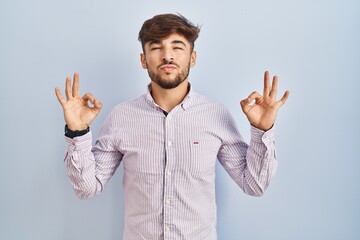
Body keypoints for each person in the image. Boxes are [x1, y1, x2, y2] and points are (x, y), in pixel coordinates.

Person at [55, 13, 289, 240]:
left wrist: (263, 130)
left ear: (193, 58)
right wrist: (77, 133)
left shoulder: (215, 115)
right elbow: (87, 188)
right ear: (143, 59)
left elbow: (254, 185)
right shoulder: (121, 117)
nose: (167, 56)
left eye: (177, 47)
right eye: (156, 47)